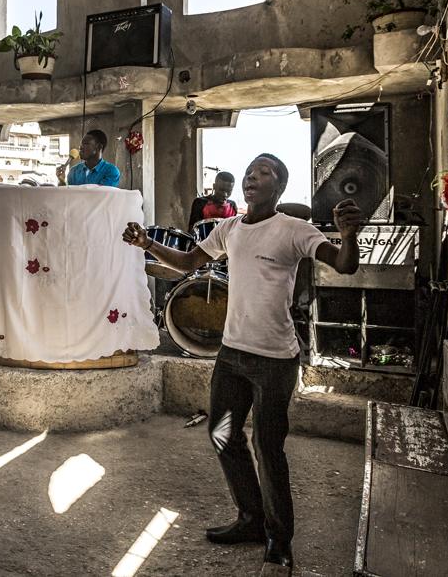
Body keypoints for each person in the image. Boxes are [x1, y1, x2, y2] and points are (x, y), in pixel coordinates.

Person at [122, 153, 361, 573]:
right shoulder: (229, 228)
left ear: (280, 187)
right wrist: (146, 243)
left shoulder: (293, 230)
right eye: (250, 172)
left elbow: (344, 264)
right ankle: (251, 518)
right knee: (221, 434)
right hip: (232, 355)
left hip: (274, 360)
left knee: (268, 450)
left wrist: (348, 235)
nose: (252, 178)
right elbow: (187, 263)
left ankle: (279, 540)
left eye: (263, 173)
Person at [56, 129, 121, 187]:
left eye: (86, 144)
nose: (80, 148)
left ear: (99, 147)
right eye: (81, 144)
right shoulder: (73, 171)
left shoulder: (111, 171)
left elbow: (100, 197)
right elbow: (69, 196)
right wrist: (61, 181)